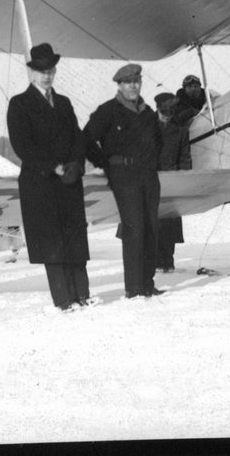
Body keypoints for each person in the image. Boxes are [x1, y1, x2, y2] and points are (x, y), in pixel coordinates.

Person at [7, 43, 92, 311]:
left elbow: (78, 138)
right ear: (31, 73)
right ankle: (64, 300)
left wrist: (77, 164)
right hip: (40, 183)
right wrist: (53, 167)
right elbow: (22, 146)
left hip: (69, 181)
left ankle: (83, 295)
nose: (47, 75)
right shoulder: (19, 104)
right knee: (52, 244)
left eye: (51, 70)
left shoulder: (64, 103)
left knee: (74, 240)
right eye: (41, 70)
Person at [84, 63, 164, 298]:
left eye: (136, 81)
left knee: (151, 228)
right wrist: (105, 163)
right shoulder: (108, 111)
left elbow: (158, 142)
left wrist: (151, 163)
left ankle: (147, 283)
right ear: (119, 85)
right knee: (134, 228)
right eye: (128, 82)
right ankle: (134, 288)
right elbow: (86, 139)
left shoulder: (148, 113)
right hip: (124, 178)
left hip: (148, 177)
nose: (133, 86)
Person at [154, 92, 192, 272]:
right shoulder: (145, 126)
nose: (167, 117)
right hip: (149, 179)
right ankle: (152, 261)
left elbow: (185, 158)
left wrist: (182, 180)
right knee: (150, 222)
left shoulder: (181, 131)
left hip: (171, 181)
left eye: (170, 113)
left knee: (168, 224)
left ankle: (167, 261)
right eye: (164, 112)